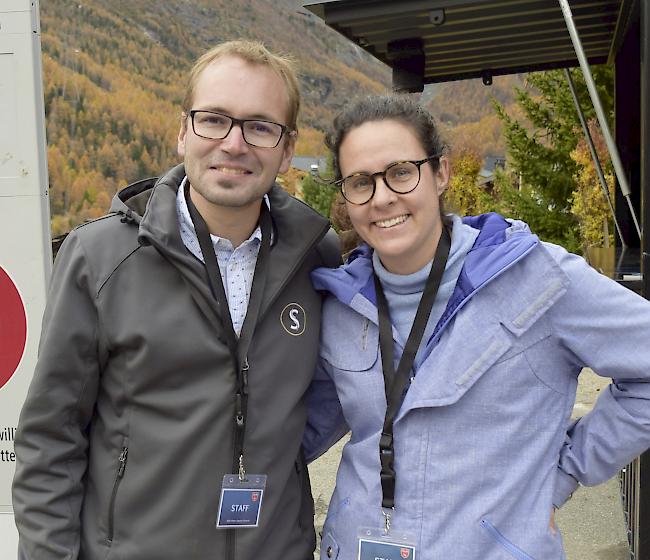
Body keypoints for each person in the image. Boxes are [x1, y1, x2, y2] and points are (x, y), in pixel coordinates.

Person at [12, 40, 339, 560]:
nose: (235, 143)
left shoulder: (316, 257)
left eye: (260, 126)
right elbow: (51, 439)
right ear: (183, 129)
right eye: (214, 119)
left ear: (286, 144)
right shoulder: (100, 257)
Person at [303, 94, 650, 560]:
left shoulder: (539, 278)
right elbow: (302, 429)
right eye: (360, 181)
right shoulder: (340, 305)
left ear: (441, 172)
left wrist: (564, 473)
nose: (382, 197)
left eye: (401, 172)